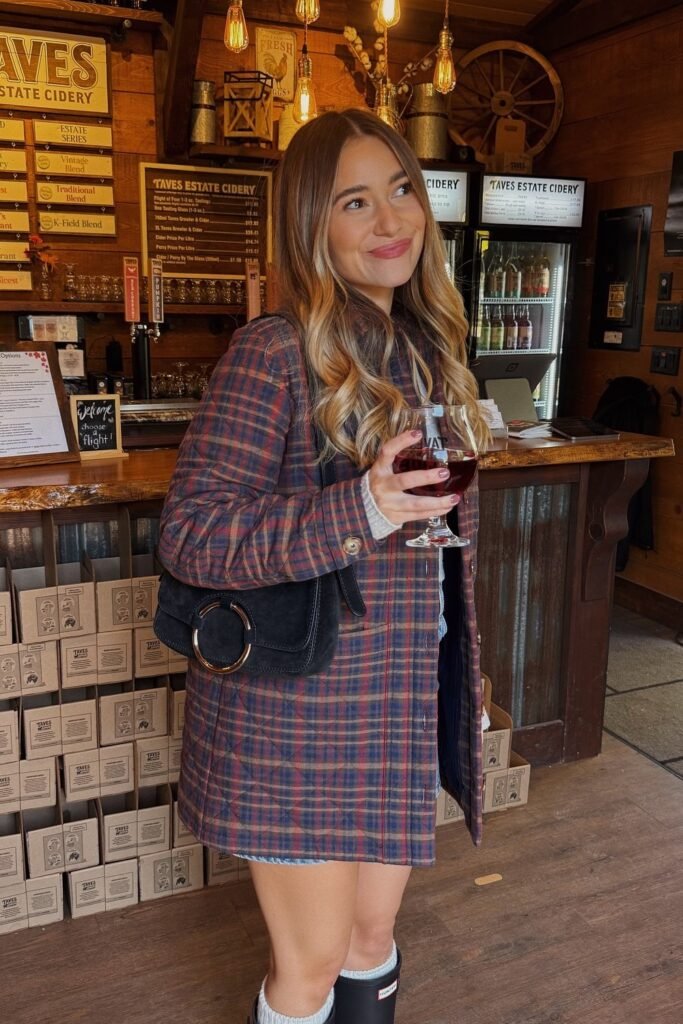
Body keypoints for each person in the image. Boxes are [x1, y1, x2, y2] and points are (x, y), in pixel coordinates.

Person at [157, 108, 488, 1024]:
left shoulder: (426, 350)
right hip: (297, 712)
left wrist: (463, 666)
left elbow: (433, 559)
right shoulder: (275, 351)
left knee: (369, 941)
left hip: (393, 703)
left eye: (402, 192)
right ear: (313, 225)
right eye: (355, 202)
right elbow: (191, 533)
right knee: (305, 971)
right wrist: (363, 508)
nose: (391, 222)